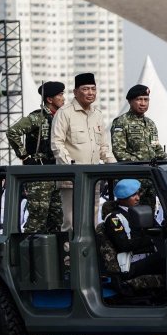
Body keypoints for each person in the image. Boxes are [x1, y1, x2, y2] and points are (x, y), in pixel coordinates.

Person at [51, 72, 117, 232]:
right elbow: (56, 143)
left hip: (93, 179)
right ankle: (69, 257)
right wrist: (71, 167)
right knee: (71, 223)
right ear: (75, 92)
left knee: (92, 222)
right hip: (71, 178)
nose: (90, 93)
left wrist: (115, 167)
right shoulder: (64, 113)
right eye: (86, 89)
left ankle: (90, 256)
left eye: (93, 89)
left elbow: (104, 147)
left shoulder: (98, 115)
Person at [7, 81, 65, 233]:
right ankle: (29, 254)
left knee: (58, 219)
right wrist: (25, 157)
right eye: (59, 95)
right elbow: (12, 132)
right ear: (49, 99)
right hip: (40, 174)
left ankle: (55, 255)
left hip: (57, 173)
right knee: (38, 218)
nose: (63, 98)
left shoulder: (62, 117)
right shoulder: (37, 117)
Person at [103, 179, 165, 282]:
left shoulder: (142, 212)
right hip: (129, 265)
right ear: (122, 199)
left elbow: (158, 230)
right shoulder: (115, 218)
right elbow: (124, 245)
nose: (137, 198)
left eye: (138, 194)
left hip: (145, 257)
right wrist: (150, 240)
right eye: (133, 195)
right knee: (166, 257)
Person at [111, 84, 167, 163]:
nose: (143, 103)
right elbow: (119, 152)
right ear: (130, 101)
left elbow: (156, 148)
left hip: (151, 171)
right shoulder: (121, 122)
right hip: (134, 171)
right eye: (139, 99)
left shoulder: (150, 123)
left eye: (146, 100)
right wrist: (141, 163)